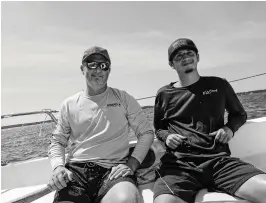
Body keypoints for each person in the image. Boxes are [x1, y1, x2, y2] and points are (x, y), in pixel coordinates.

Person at [153, 38, 266, 203]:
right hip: (179, 166)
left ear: (198, 57)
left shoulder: (219, 84)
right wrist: (167, 137)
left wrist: (229, 129)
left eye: (189, 53)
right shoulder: (163, 94)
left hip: (220, 162)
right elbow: (159, 128)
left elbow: (239, 114)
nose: (185, 58)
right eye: (178, 56)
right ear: (172, 64)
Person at [48, 46, 154, 203]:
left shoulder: (124, 99)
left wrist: (132, 164)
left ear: (109, 70)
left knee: (127, 199)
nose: (98, 69)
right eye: (92, 64)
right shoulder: (68, 105)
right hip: (76, 173)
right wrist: (58, 168)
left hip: (113, 172)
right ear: (82, 68)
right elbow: (57, 141)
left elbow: (146, 133)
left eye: (103, 65)